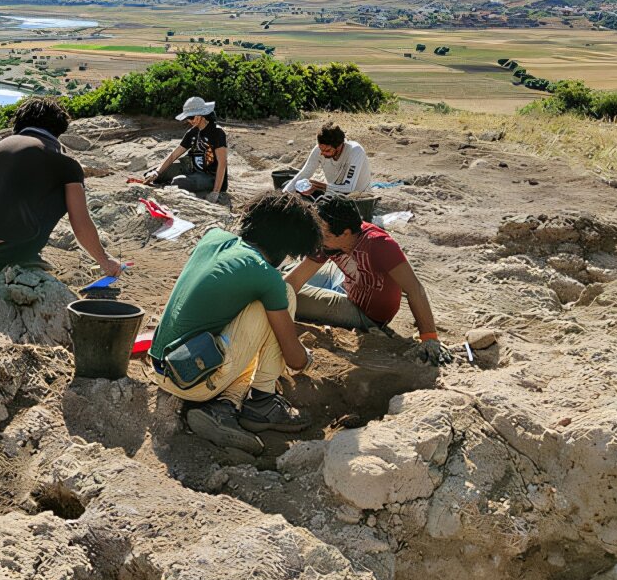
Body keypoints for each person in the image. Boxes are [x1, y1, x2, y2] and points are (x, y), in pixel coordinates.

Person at [150, 191, 322, 454]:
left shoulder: (214, 238)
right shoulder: (265, 276)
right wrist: (306, 358)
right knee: (282, 295)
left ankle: (224, 404)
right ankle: (261, 401)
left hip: (164, 366)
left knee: (257, 305)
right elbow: (295, 360)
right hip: (192, 380)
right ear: (284, 246)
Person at [0, 97, 124, 275]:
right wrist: (104, 260)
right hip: (10, 247)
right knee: (69, 185)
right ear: (59, 130)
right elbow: (80, 221)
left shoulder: (2, 145)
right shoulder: (64, 163)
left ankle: (5, 253)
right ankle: (22, 257)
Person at [289, 196, 452, 366]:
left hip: (364, 313)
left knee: (290, 297)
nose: (319, 238)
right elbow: (295, 278)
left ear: (345, 233)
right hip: (347, 281)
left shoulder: (379, 244)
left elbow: (414, 289)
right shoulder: (330, 241)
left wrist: (429, 337)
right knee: (282, 279)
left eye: (325, 235)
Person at [143, 96, 229, 202]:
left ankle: (196, 185)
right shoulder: (192, 132)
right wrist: (157, 172)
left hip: (210, 176)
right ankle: (173, 178)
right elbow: (174, 155)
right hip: (191, 168)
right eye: (188, 118)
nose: (189, 121)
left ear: (201, 115)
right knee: (151, 175)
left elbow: (222, 163)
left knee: (178, 182)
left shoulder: (217, 132)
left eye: (191, 117)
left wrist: (215, 192)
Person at [283, 122, 370, 197]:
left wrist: (318, 186)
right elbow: (305, 173)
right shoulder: (320, 149)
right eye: (321, 149)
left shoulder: (355, 151)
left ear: (339, 146)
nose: (322, 153)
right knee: (289, 185)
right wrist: (284, 193)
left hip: (358, 197)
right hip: (333, 192)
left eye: (327, 150)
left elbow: (349, 187)